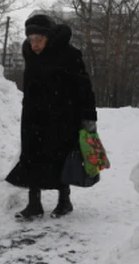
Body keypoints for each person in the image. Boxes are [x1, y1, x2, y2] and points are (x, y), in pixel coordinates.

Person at [6, 13, 98, 219]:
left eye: (39, 39)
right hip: (33, 118)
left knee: (60, 159)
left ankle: (64, 201)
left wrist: (89, 117)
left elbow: (84, 88)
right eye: (31, 40)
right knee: (31, 158)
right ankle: (34, 204)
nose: (35, 44)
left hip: (62, 118)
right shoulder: (30, 55)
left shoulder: (69, 54)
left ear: (49, 37)